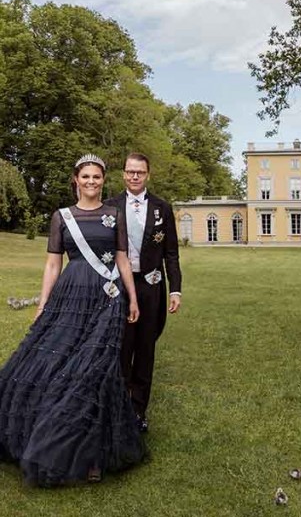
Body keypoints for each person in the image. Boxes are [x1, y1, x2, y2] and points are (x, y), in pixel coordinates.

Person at [0, 154, 146, 486]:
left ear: (103, 180)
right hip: (69, 297)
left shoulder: (114, 215)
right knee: (56, 363)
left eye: (97, 177)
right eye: (86, 177)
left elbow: (122, 258)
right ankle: (44, 436)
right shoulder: (61, 217)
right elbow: (53, 264)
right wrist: (43, 303)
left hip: (107, 298)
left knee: (96, 368)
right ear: (75, 180)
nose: (92, 182)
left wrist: (132, 297)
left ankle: (92, 456)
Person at [105, 153, 182, 433]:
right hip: (120, 286)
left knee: (145, 349)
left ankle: (139, 411)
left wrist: (175, 289)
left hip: (151, 286)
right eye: (130, 172)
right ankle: (120, 406)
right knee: (122, 347)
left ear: (148, 174)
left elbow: (171, 253)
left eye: (140, 172)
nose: (134, 176)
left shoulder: (162, 207)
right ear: (124, 174)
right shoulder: (110, 206)